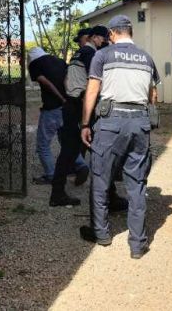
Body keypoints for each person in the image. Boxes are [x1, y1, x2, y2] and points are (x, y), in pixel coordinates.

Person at [80, 14, 160, 259]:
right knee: (136, 185)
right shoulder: (147, 57)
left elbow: (92, 90)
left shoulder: (103, 55)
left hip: (111, 123)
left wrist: (85, 123)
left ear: (113, 34)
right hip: (140, 123)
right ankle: (137, 244)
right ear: (130, 32)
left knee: (101, 178)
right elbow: (153, 96)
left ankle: (102, 234)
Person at [49, 25, 110, 206]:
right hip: (81, 106)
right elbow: (95, 82)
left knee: (69, 151)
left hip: (71, 104)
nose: (104, 42)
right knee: (100, 149)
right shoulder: (91, 54)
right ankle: (109, 196)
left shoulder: (78, 54)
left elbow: (67, 79)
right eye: (103, 38)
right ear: (95, 37)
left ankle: (57, 193)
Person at [28, 47, 89, 185]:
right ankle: (81, 166)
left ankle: (50, 175)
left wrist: (61, 98)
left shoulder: (35, 64)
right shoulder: (60, 61)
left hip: (52, 108)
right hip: (67, 107)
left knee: (43, 144)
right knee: (67, 141)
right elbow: (69, 78)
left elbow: (45, 82)